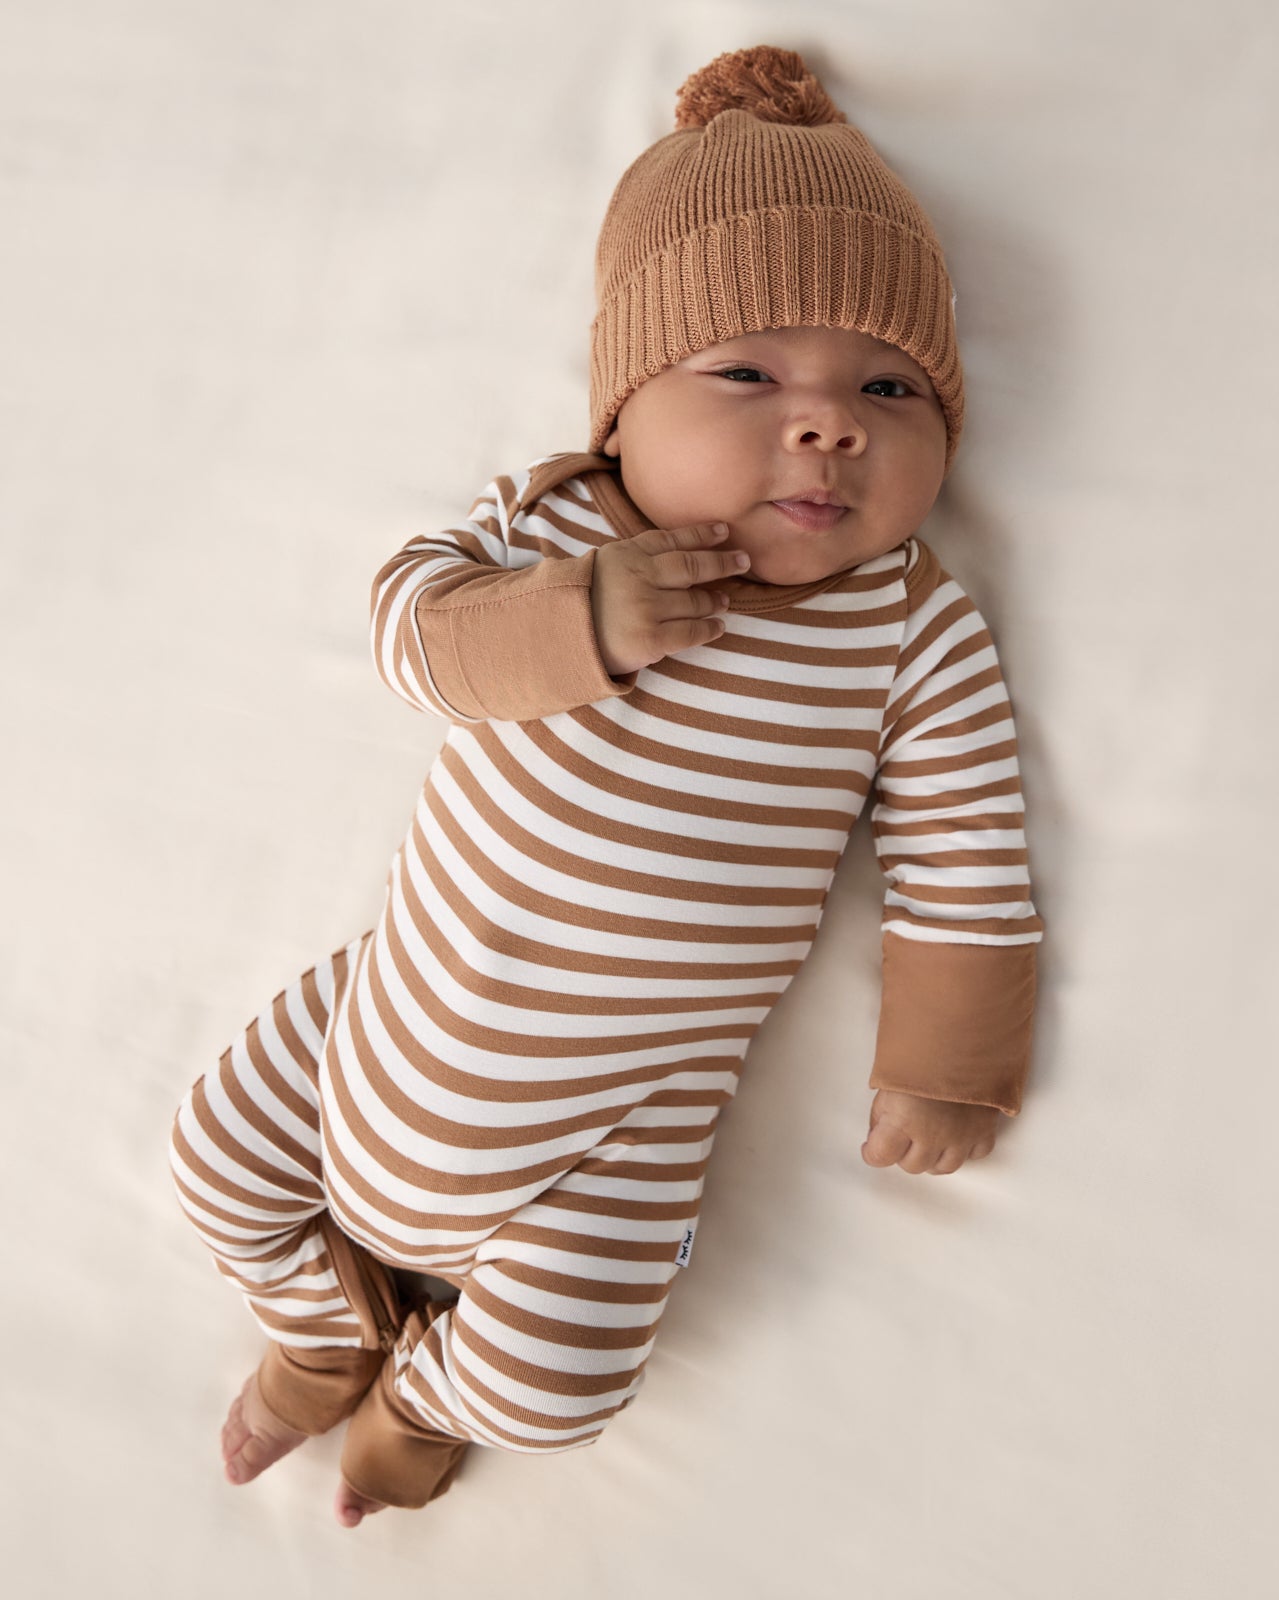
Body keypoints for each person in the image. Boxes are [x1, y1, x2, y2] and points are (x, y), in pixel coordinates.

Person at [170, 43, 1043, 1529]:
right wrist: (572, 618)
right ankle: (317, 1331)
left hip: (612, 1138)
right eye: (748, 372)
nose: (829, 423)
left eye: (891, 388)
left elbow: (966, 842)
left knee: (565, 1384)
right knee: (213, 1160)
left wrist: (947, 1061)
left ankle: (423, 1398)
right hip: (376, 1017)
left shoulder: (906, 627)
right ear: (624, 407)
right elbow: (407, 630)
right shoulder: (558, 522)